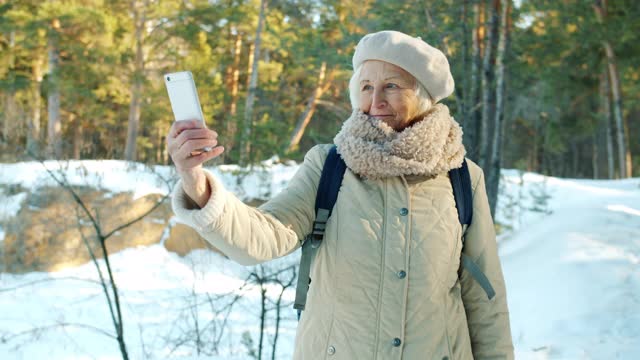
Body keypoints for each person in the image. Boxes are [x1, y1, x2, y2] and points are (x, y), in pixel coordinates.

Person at [167, 30, 514, 360]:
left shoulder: (463, 178)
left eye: (391, 86)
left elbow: (485, 298)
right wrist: (194, 179)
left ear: (423, 95)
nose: (375, 100)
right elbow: (264, 236)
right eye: (366, 87)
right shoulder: (329, 165)